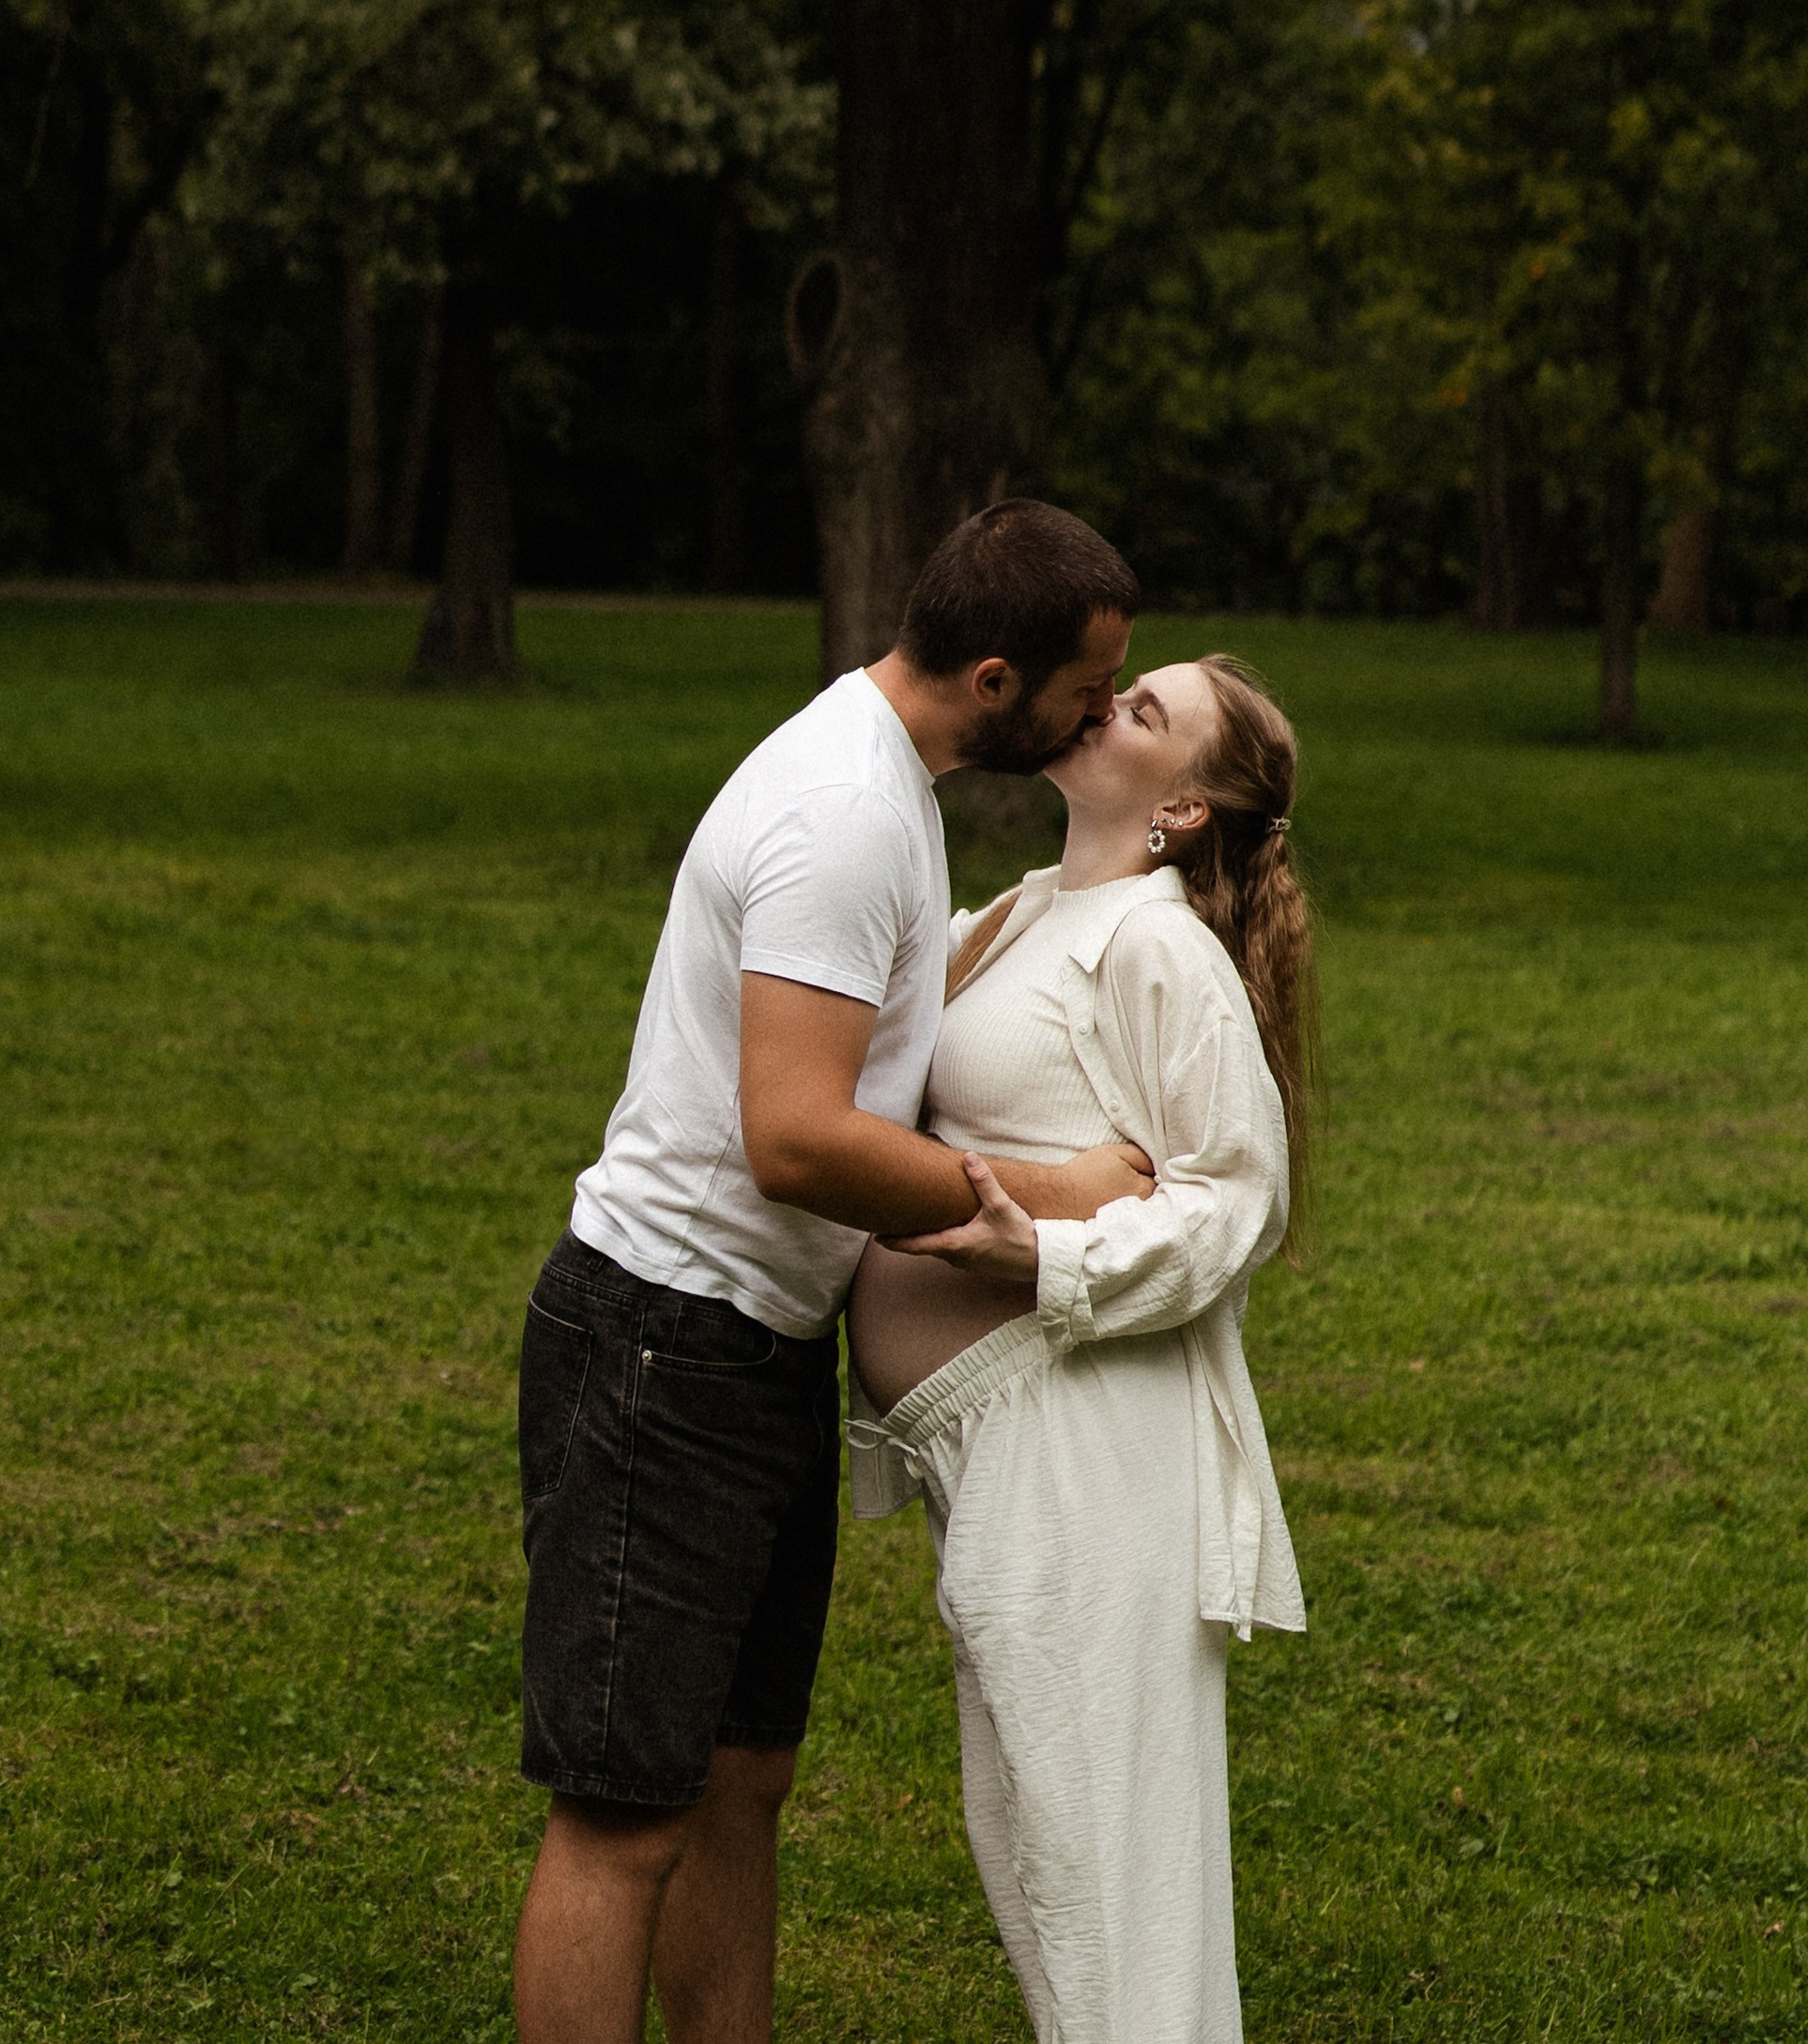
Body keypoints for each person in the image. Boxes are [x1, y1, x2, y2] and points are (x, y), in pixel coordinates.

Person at [511, 497, 1147, 2044]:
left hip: (750, 1348)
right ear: (996, 680)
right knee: (625, 1816)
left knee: (739, 1784)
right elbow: (795, 1136)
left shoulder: (889, 788)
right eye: (1084, 686)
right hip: (663, 1342)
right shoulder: (844, 811)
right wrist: (1050, 1195)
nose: (1097, 715)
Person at [848, 650, 1313, 2044]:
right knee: (1043, 1861)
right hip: (998, 1449)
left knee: (1107, 1885)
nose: (1108, 701)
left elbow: (1237, 1198)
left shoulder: (1156, 944)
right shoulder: (1029, 914)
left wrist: (1039, 1249)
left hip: (1088, 1450)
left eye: (1148, 711)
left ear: (1181, 811)